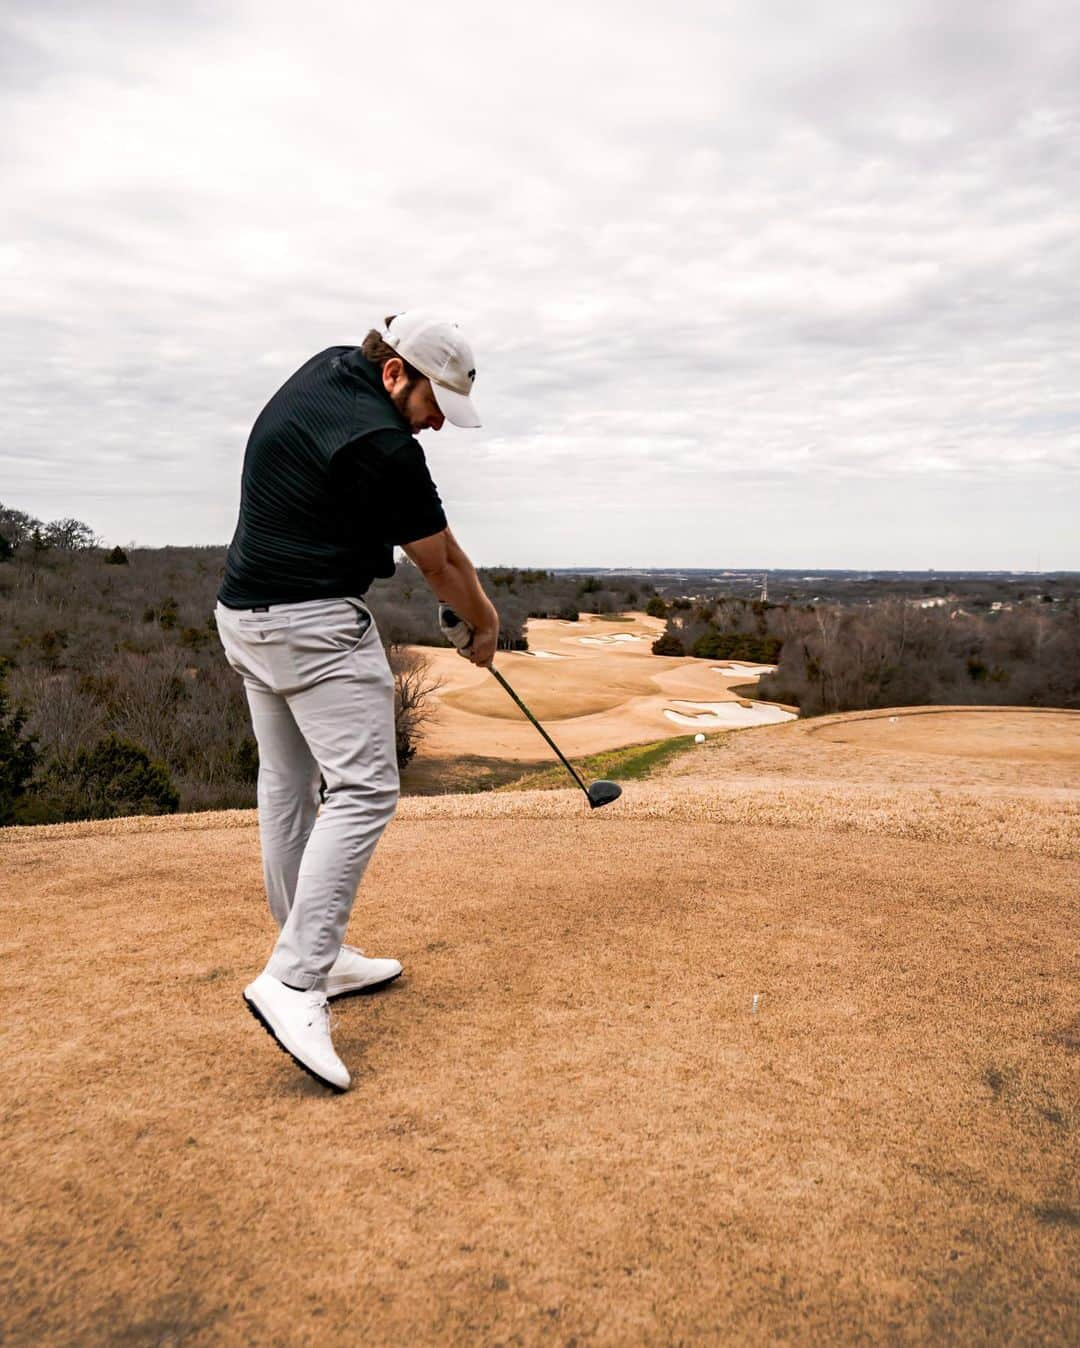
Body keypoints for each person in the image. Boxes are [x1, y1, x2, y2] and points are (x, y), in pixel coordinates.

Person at [214, 310, 500, 1092]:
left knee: (287, 784)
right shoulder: (384, 444)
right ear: (396, 373)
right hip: (311, 626)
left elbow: (435, 544)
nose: (439, 422)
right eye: (434, 402)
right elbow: (438, 563)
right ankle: (296, 978)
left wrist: (474, 602)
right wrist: (482, 621)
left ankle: (316, 953)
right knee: (367, 787)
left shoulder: (331, 369)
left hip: (244, 617)